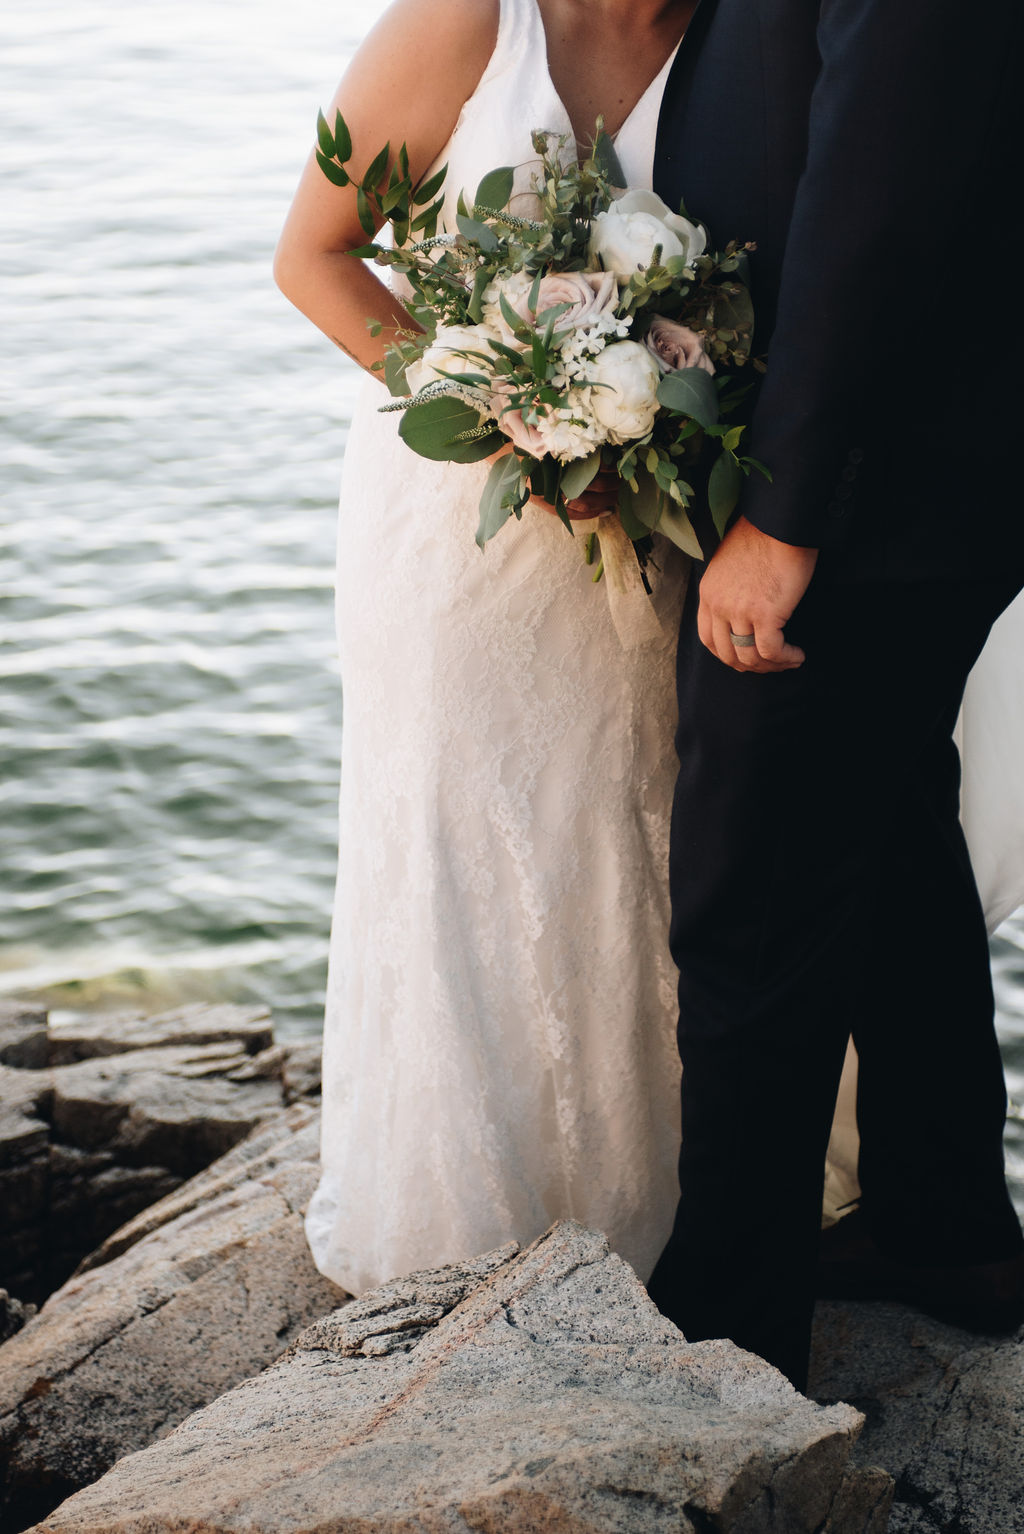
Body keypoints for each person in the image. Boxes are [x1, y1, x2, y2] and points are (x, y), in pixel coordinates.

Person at [274, 0, 702, 1295]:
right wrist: (507, 408)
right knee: (458, 846)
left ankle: (636, 1210)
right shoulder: (468, 24)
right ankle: (454, 1233)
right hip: (455, 531)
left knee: (624, 841)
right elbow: (314, 255)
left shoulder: (739, 39)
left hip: (644, 537)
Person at [644, 0, 1024, 1393]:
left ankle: (722, 1341)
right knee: (888, 819)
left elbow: (883, 178)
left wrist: (787, 514)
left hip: (874, 484)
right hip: (912, 463)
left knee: (749, 890)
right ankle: (947, 1228)